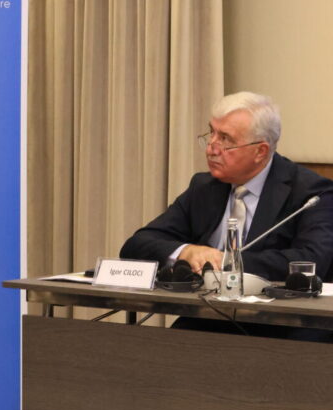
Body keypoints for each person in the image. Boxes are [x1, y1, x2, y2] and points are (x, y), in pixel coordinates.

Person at [121, 92, 333, 281]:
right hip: (205, 307)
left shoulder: (311, 194)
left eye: (225, 139)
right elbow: (137, 244)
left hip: (276, 311)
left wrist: (224, 262)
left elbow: (312, 261)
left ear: (260, 151)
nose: (211, 149)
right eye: (211, 133)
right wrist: (186, 251)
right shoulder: (204, 187)